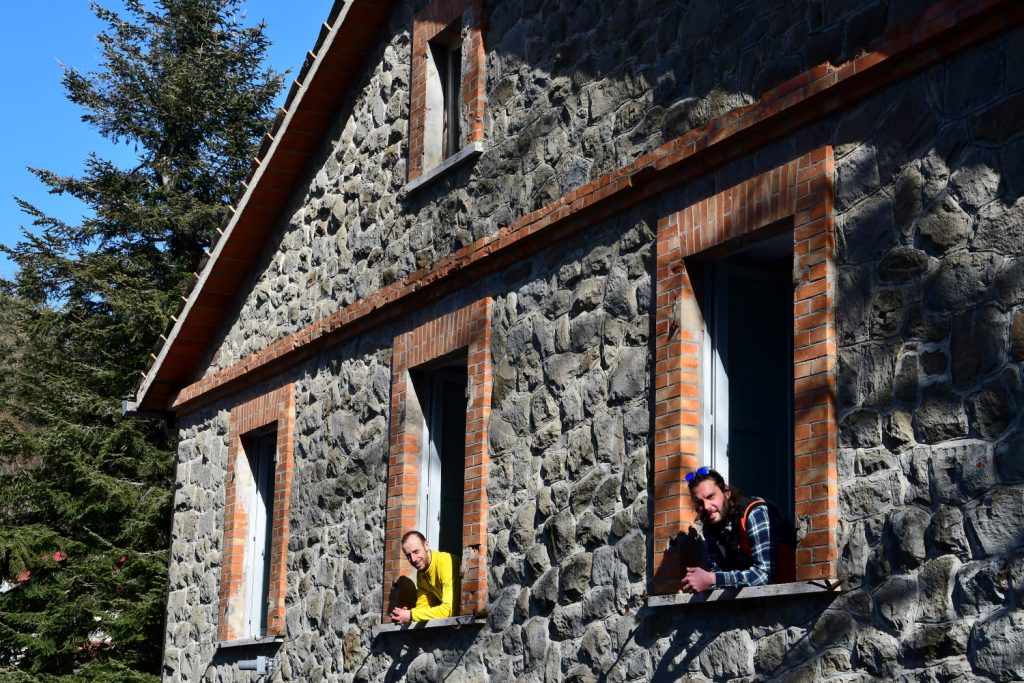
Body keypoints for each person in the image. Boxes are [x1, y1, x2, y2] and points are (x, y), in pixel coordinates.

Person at [680, 467, 792, 592]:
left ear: (726, 493)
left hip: (790, 595)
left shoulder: (755, 513)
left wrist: (712, 579)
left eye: (710, 497)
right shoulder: (710, 528)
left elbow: (763, 575)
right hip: (752, 602)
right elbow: (718, 572)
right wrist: (699, 581)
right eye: (700, 503)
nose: (706, 507)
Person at [389, 530, 461, 625]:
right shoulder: (421, 573)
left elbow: (448, 610)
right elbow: (423, 606)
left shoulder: (445, 562)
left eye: (416, 552)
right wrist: (406, 616)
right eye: (408, 556)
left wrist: (411, 614)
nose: (413, 559)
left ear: (426, 545)